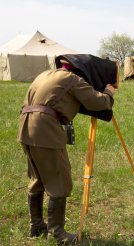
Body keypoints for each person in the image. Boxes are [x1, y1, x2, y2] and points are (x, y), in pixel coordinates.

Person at [18, 58, 117, 245]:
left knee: (37, 178)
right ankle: (58, 234)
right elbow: (99, 103)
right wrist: (109, 92)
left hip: (25, 127)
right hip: (45, 127)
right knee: (59, 180)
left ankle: (37, 226)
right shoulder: (72, 79)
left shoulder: (45, 74)